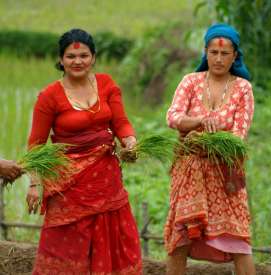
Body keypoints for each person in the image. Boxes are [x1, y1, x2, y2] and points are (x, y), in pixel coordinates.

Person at [26, 28, 142, 274]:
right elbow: (36, 145)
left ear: (93, 58)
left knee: (111, 239)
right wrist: (35, 184)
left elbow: (120, 123)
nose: (77, 61)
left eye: (83, 55)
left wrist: (130, 141)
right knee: (67, 250)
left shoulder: (106, 84)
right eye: (70, 56)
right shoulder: (49, 96)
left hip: (106, 180)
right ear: (60, 60)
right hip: (69, 185)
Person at [164, 23, 256, 275]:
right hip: (190, 174)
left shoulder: (243, 89)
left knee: (238, 239)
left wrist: (200, 140)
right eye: (213, 52)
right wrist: (198, 122)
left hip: (226, 175)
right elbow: (172, 117)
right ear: (205, 52)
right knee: (181, 237)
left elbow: (239, 136)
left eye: (225, 53)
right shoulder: (190, 82)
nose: (218, 58)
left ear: (235, 55)